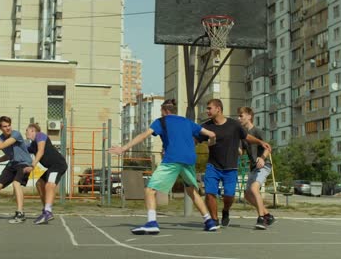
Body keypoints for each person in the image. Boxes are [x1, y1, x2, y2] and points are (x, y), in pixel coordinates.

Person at [109, 99, 219, 235]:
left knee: (150, 190)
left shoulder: (161, 121)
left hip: (173, 159)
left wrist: (123, 148)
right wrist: (211, 144)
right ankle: (209, 222)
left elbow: (143, 136)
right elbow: (212, 134)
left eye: (161, 111)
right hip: (189, 159)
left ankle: (151, 222)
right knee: (191, 190)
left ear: (165, 110)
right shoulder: (187, 122)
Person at [198, 99, 271, 228]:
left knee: (229, 196)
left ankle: (226, 210)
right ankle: (214, 220)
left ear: (218, 109)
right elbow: (195, 139)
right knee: (210, 193)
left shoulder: (234, 125)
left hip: (230, 168)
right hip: (213, 165)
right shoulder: (207, 126)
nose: (207, 111)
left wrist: (260, 142)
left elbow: (246, 137)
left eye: (209, 108)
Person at [0, 116, 32, 224]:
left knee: (16, 184)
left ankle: (20, 212)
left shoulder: (16, 134)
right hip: (12, 163)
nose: (8, 128)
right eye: (5, 126)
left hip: (24, 164)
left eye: (9, 125)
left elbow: (1, 145)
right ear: (1, 128)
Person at [237, 106, 275, 229]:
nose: (239, 118)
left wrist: (262, 158)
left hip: (264, 165)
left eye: (241, 116)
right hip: (253, 167)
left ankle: (261, 219)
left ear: (249, 116)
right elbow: (240, 152)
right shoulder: (242, 135)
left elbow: (268, 148)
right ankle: (268, 215)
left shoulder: (257, 132)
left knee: (254, 189)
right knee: (247, 195)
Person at [24, 123, 68, 225]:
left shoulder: (40, 135)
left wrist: (32, 165)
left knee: (49, 184)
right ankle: (46, 210)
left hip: (58, 164)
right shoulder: (33, 144)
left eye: (27, 130)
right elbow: (23, 149)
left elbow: (41, 151)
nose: (25, 132)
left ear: (32, 130)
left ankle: (48, 211)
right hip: (51, 167)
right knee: (39, 183)